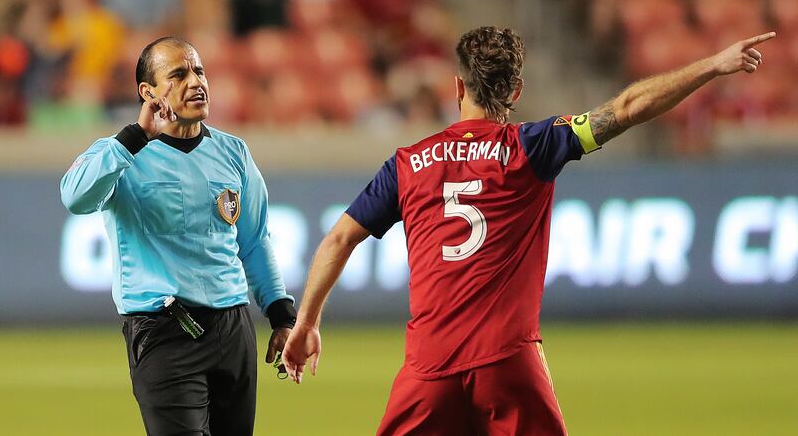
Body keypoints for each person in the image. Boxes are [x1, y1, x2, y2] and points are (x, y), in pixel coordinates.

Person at [282, 26, 775, 435]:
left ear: (457, 87)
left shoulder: (407, 165)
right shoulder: (534, 147)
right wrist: (711, 65)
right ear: (515, 92)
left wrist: (306, 322)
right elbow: (626, 108)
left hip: (428, 368)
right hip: (508, 364)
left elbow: (338, 239)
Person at [60, 36, 295, 436]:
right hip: (163, 329)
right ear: (148, 93)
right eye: (179, 74)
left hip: (233, 328)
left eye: (199, 70)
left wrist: (281, 315)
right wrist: (135, 135)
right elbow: (75, 197)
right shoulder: (121, 153)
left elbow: (254, 240)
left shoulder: (234, 152)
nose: (196, 82)